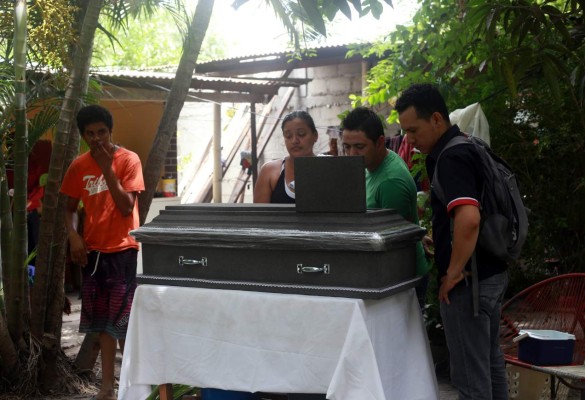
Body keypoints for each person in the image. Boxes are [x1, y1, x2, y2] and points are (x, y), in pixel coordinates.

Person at [395, 83, 508, 400]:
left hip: (469, 282)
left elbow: (469, 219)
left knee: (470, 379)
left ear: (435, 119)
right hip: (491, 272)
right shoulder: (467, 144)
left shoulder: (452, 156)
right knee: (490, 364)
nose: (410, 140)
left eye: (413, 130)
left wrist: (453, 272)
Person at [61, 104, 145, 400]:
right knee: (103, 324)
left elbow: (126, 207)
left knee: (124, 321)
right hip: (93, 253)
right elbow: (69, 208)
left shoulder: (128, 160)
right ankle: (107, 388)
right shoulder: (78, 166)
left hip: (123, 249)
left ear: (111, 131)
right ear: (83, 136)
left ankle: (134, 388)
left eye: (102, 132)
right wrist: (73, 236)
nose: (97, 139)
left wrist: (108, 168)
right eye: (90, 134)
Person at [340, 107, 431, 307]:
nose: (351, 154)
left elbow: (393, 245)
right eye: (346, 147)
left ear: (380, 142)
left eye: (359, 147)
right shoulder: (371, 164)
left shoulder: (390, 181)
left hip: (401, 279)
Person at [253, 110, 318, 203]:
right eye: (288, 136)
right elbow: (259, 216)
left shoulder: (328, 170)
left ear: (315, 136)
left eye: (301, 134)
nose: (294, 141)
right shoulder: (269, 172)